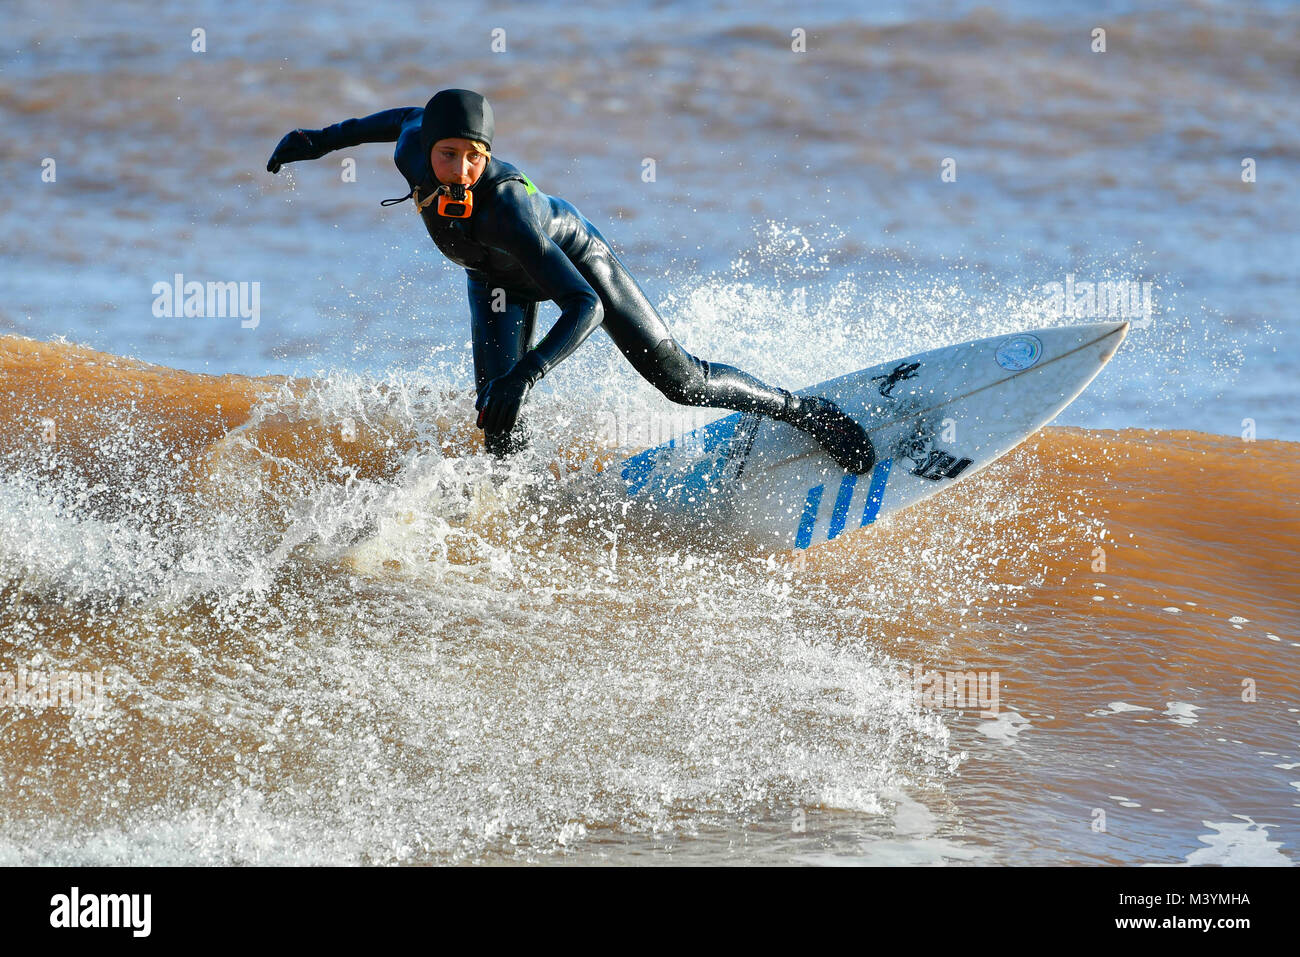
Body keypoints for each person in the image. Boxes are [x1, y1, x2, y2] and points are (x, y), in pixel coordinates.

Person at [267, 89, 874, 472]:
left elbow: (584, 306)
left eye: (473, 156)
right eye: (448, 154)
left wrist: (528, 374)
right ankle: (521, 513)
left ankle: (804, 412)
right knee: (496, 418)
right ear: (427, 149)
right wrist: (318, 141)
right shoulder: (409, 146)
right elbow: (401, 115)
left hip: (576, 266)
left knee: (683, 382)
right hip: (493, 279)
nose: (461, 169)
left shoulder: (507, 208)